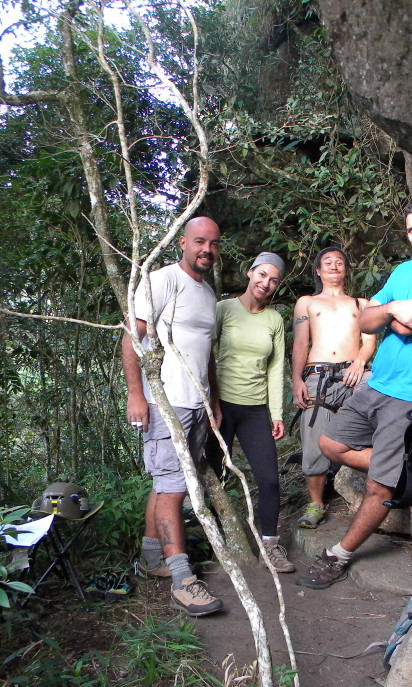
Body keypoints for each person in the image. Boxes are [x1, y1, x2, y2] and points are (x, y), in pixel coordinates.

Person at [297, 196, 412, 589]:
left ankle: (339, 555)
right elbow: (364, 318)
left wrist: (388, 312)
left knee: (378, 486)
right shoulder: (403, 270)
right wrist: (396, 309)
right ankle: (403, 472)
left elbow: (407, 327)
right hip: (377, 382)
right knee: (330, 444)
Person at [123, 216, 224, 617]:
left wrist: (212, 400)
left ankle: (153, 559)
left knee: (168, 482)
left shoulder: (207, 292)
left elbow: (205, 351)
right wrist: (136, 394)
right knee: (173, 490)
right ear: (182, 242)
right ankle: (183, 580)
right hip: (166, 402)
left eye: (213, 244)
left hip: (196, 403)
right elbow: (133, 335)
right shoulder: (163, 280)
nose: (206, 250)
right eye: (199, 241)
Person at [210, 252, 294, 572]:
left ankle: (270, 546)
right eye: (262, 275)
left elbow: (275, 369)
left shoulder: (274, 319)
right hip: (220, 407)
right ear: (250, 273)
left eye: (273, 280)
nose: (266, 283)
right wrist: (210, 403)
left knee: (270, 480)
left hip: (255, 408)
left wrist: (277, 413)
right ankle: (214, 540)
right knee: (214, 475)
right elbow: (207, 356)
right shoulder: (223, 309)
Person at [291, 246, 376, 528]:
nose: (334, 266)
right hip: (318, 375)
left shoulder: (361, 304)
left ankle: (377, 486)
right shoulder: (307, 302)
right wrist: (297, 380)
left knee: (383, 401)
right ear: (318, 270)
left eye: (339, 262)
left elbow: (369, 341)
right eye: (327, 262)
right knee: (314, 436)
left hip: (355, 373)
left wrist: (359, 363)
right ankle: (316, 503)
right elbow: (301, 343)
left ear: (347, 269)